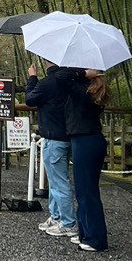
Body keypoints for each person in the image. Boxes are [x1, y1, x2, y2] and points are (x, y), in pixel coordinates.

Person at [26, 62, 82, 239]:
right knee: (57, 181)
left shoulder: (48, 83)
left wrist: (32, 77)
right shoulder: (72, 80)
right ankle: (56, 216)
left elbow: (30, 99)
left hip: (53, 137)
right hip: (70, 135)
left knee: (59, 183)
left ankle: (68, 223)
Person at [66, 69, 112, 253]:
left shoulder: (82, 90)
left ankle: (96, 239)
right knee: (85, 190)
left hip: (85, 142)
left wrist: (83, 74)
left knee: (87, 192)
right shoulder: (91, 90)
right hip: (90, 140)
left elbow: (64, 78)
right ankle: (86, 233)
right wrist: (86, 75)